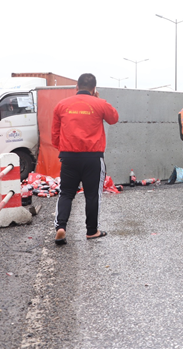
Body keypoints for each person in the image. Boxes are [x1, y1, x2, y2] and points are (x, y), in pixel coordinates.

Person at [52, 73, 119, 245]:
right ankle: (91, 231)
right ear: (94, 88)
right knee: (92, 195)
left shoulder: (61, 105)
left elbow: (54, 135)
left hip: (69, 157)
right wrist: (99, 99)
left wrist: (66, 149)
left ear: (76, 87)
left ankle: (61, 226)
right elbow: (114, 119)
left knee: (66, 193)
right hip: (92, 157)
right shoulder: (100, 104)